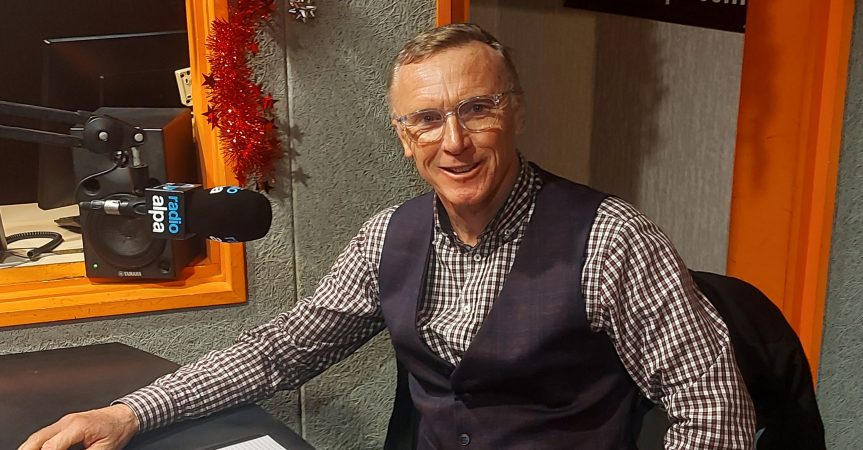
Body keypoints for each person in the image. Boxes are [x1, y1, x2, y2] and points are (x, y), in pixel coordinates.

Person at [20, 23, 756, 450]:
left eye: (477, 109)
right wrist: (127, 412)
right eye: (426, 119)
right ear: (404, 138)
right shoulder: (388, 239)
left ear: (516, 112)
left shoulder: (613, 240)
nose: (454, 141)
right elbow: (278, 351)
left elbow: (714, 409)